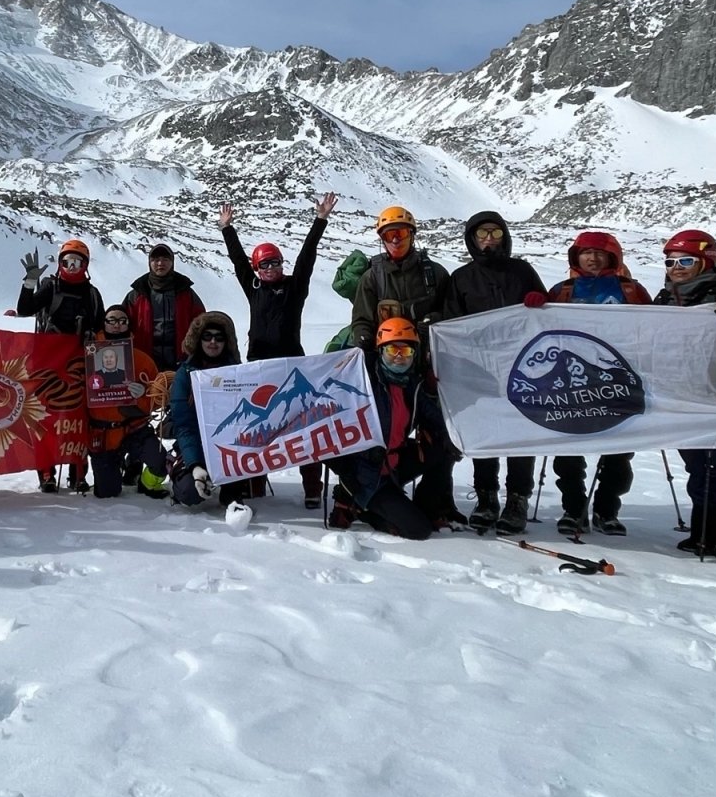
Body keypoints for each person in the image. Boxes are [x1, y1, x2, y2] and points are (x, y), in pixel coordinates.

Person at [220, 192, 336, 508]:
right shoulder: (253, 287)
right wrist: (227, 230)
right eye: (265, 264)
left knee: (304, 426)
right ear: (256, 268)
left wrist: (320, 221)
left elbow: (307, 257)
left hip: (291, 364)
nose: (271, 268)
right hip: (258, 365)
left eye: (275, 262)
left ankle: (312, 488)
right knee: (255, 427)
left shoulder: (294, 287)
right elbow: (236, 260)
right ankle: (254, 485)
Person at [441, 210, 547, 533]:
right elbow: (450, 324)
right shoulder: (461, 278)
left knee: (519, 433)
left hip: (523, 368)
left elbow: (547, 314)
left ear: (504, 236)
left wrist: (541, 301)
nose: (489, 239)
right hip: (480, 372)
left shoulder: (523, 271)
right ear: (472, 239)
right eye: (482, 234)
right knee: (485, 432)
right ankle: (486, 497)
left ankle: (517, 499)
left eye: (495, 233)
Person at [541, 230, 652, 537]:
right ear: (575, 258)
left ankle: (607, 509)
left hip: (620, 381)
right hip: (571, 382)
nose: (591, 258)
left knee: (619, 450)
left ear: (612, 258)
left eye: (599, 254)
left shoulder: (631, 290)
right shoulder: (562, 290)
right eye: (585, 253)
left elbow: (654, 328)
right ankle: (573, 508)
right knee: (568, 449)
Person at [653, 229, 716, 558]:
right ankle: (705, 530)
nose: (677, 267)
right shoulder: (666, 298)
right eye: (671, 261)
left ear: (707, 261)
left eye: (686, 260)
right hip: (681, 395)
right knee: (697, 465)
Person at [327, 318, 457, 539]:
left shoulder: (411, 385)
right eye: (392, 350)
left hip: (393, 465)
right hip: (366, 475)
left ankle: (425, 507)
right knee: (419, 531)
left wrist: (456, 437)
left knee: (444, 447)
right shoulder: (362, 384)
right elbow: (324, 434)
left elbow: (435, 419)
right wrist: (347, 473)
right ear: (380, 351)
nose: (398, 357)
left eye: (405, 351)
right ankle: (361, 508)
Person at [16, 238, 105, 491]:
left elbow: (100, 330)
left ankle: (78, 473)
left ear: (85, 265)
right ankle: (46, 473)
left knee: (78, 420)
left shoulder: (92, 294)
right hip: (47, 368)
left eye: (77, 262)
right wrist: (29, 282)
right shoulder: (50, 287)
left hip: (80, 368)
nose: (72, 266)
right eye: (68, 261)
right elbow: (24, 309)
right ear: (60, 263)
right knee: (45, 419)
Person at [165, 311, 267, 506]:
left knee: (235, 495)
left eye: (219, 337)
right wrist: (195, 465)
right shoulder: (184, 375)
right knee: (188, 493)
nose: (213, 342)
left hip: (230, 448)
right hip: (195, 443)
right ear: (198, 340)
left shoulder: (238, 373)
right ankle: (183, 473)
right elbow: (184, 424)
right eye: (207, 336)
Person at [87, 304, 168, 498]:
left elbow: (158, 398)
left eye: (122, 321)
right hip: (103, 433)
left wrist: (144, 393)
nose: (117, 325)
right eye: (111, 320)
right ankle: (117, 467)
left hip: (134, 428)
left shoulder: (142, 359)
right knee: (107, 493)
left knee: (160, 461)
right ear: (104, 324)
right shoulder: (88, 356)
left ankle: (147, 483)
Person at [348, 205, 451, 357]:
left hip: (431, 355)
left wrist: (436, 319)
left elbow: (452, 312)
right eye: (389, 235)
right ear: (382, 240)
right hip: (386, 356)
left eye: (400, 233)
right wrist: (364, 339)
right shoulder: (372, 278)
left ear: (411, 235)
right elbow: (362, 320)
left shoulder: (436, 273)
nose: (395, 240)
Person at [127, 243, 206, 373]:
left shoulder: (185, 292)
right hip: (145, 359)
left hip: (181, 360)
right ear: (150, 263)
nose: (160, 263)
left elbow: (201, 322)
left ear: (172, 262)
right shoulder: (137, 293)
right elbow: (124, 323)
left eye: (165, 259)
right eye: (156, 259)